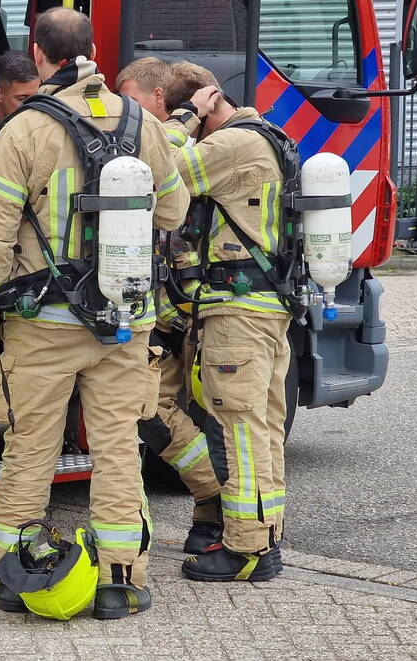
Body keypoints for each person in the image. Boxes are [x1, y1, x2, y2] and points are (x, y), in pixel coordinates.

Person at [0, 7, 188, 618]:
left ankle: (10, 575)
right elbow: (173, 211)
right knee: (118, 447)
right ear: (91, 49)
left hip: (43, 323)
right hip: (123, 317)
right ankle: (120, 580)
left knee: (32, 446)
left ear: (38, 53)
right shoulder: (142, 122)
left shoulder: (24, 131)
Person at [162, 61, 289, 582]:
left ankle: (245, 550)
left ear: (210, 103)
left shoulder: (233, 144)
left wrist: (183, 117)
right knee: (263, 427)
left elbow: (162, 176)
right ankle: (265, 540)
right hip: (266, 307)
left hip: (239, 310)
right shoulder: (270, 135)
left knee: (238, 427)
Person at [116, 57, 224, 555]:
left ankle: (215, 503)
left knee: (158, 411)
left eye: (134, 100)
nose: (123, 111)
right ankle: (211, 506)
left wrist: (185, 121)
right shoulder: (166, 134)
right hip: (167, 309)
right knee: (155, 411)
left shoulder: (190, 143)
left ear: (160, 100)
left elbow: (165, 171)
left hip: (185, 308)